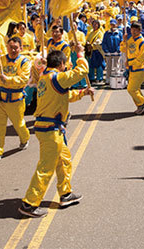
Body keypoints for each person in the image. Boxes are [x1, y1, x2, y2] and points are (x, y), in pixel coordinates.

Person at [18, 45, 94, 217]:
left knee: (64, 160)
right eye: (66, 63)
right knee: (46, 167)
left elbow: (64, 96)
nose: (66, 66)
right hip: (50, 129)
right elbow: (82, 70)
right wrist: (80, 53)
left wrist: (83, 92)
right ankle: (29, 203)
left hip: (51, 128)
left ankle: (65, 194)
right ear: (60, 63)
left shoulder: (46, 77)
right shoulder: (57, 77)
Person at [0, 36, 31, 162]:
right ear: (7, 47)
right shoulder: (1, 59)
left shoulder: (24, 62)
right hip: (1, 98)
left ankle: (24, 139)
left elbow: (24, 79)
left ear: (20, 48)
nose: (13, 50)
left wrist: (9, 80)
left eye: (16, 47)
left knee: (19, 124)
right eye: (10, 47)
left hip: (16, 100)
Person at [120, 22, 144, 114]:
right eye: (132, 30)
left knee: (131, 89)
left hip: (140, 68)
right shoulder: (131, 40)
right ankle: (142, 105)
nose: (133, 32)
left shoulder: (143, 42)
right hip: (132, 68)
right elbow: (123, 49)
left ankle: (142, 104)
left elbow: (142, 57)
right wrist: (124, 41)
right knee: (135, 88)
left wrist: (130, 63)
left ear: (140, 30)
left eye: (135, 30)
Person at [85, 19, 106, 84]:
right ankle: (92, 78)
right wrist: (88, 43)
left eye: (96, 24)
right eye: (93, 24)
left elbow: (99, 41)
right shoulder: (91, 32)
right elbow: (87, 39)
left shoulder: (100, 32)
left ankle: (99, 78)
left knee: (99, 64)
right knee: (91, 65)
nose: (94, 25)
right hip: (91, 51)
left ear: (98, 25)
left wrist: (92, 45)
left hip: (97, 50)